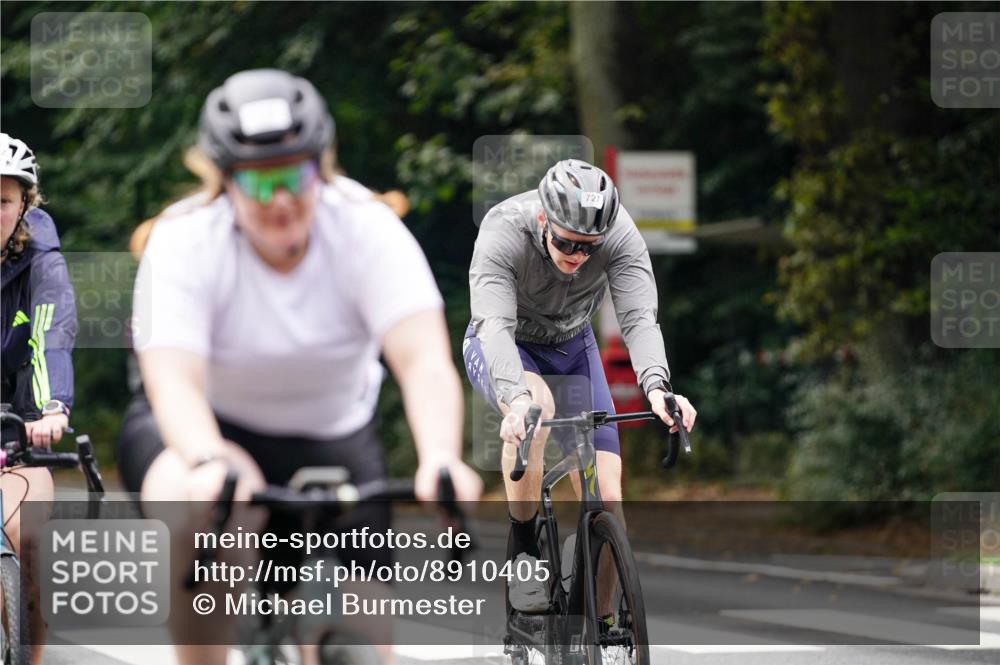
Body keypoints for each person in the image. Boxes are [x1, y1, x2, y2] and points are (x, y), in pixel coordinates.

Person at [118, 68, 482, 665]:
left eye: (295, 176)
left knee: (370, 638)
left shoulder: (366, 226)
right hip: (209, 432)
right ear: (224, 182)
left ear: (322, 166)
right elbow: (173, 379)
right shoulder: (184, 239)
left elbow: (422, 361)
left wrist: (440, 457)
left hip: (335, 437)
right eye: (259, 183)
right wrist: (205, 459)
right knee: (202, 517)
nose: (281, 200)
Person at [464, 158, 697, 613]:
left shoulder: (619, 232)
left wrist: (658, 388)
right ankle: (525, 552)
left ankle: (602, 626)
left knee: (608, 498)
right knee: (538, 410)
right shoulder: (503, 230)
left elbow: (639, 318)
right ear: (543, 218)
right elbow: (494, 326)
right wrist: (517, 400)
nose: (577, 255)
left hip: (573, 345)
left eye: (590, 247)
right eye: (566, 242)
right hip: (508, 344)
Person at [0, 132, 77, 665]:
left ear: (24, 205)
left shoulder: (42, 264)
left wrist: (53, 409)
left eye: (2, 201)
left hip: (18, 424)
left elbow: (50, 334)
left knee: (28, 535)